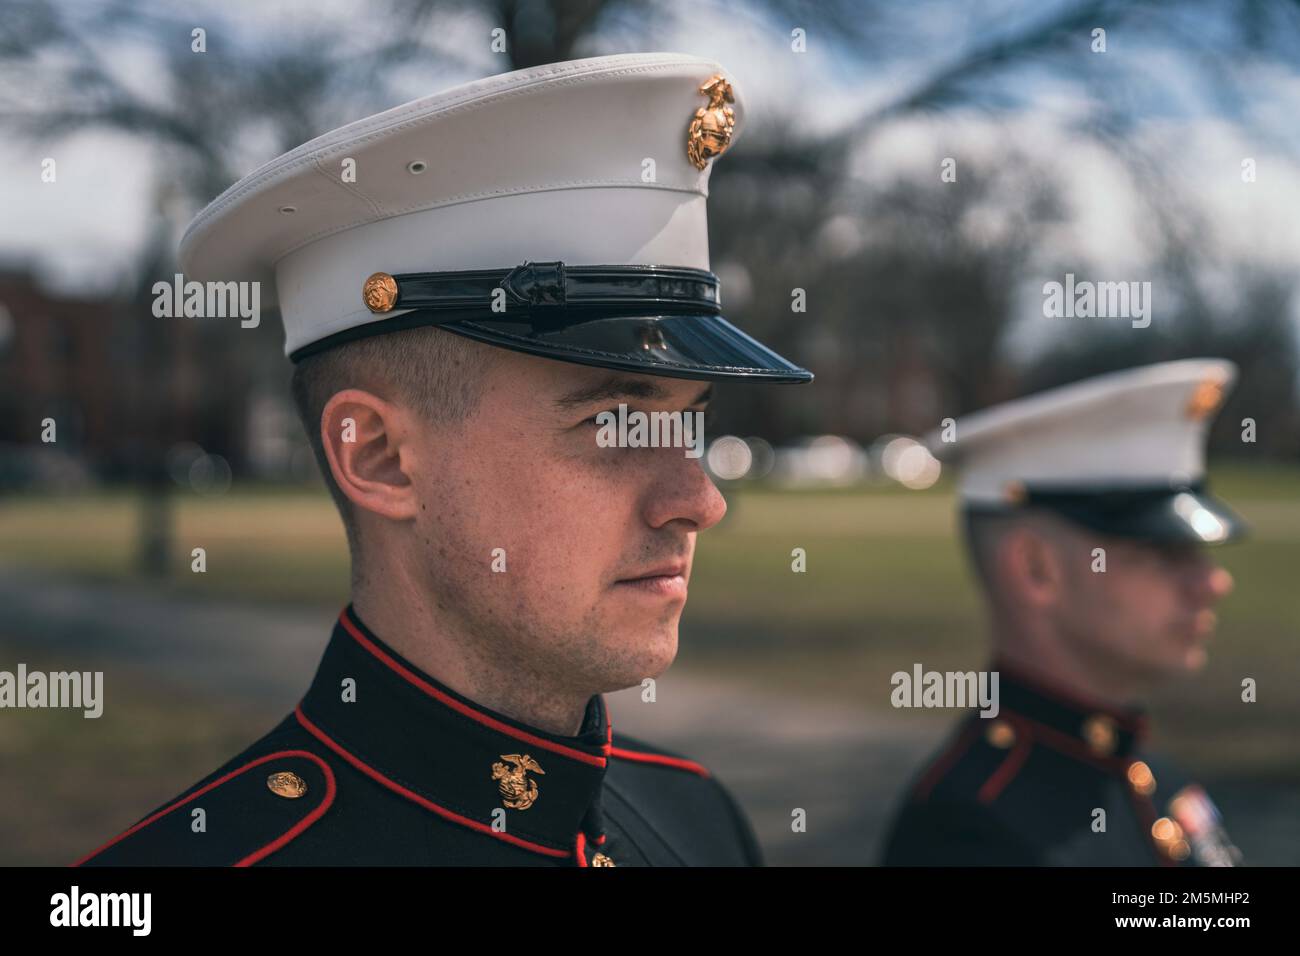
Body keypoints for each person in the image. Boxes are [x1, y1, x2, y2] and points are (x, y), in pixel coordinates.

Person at [75, 52, 811, 867]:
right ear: (382, 459)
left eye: (690, 424)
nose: (700, 500)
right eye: (615, 421)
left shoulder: (696, 818)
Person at [882, 359, 1245, 866]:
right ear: (1036, 569)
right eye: (1161, 553)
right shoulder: (967, 836)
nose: (1212, 582)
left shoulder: (1149, 776)